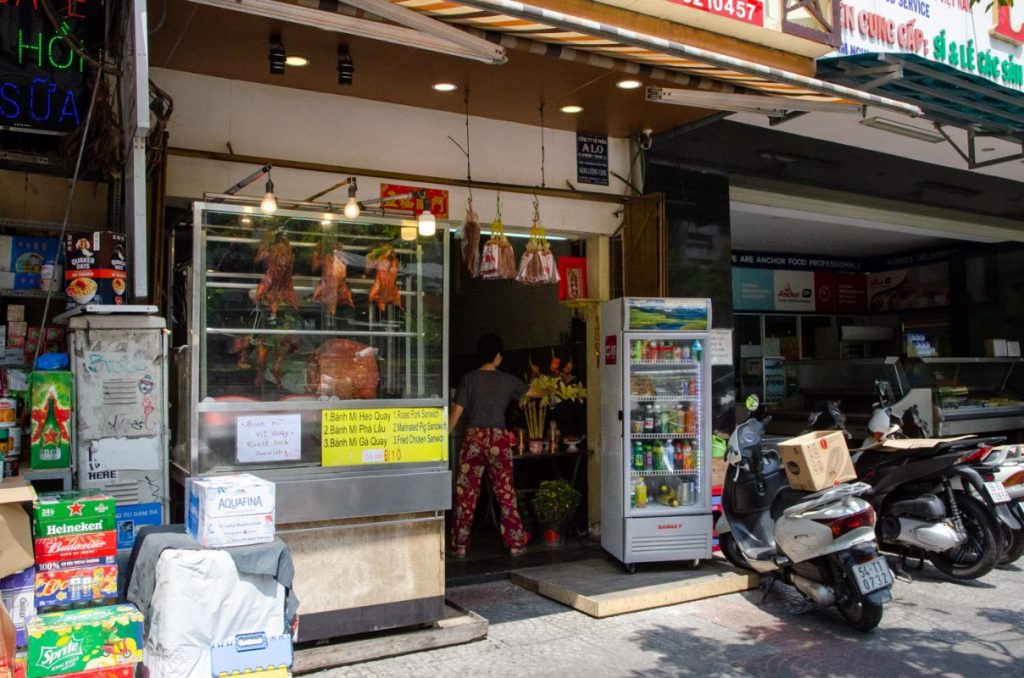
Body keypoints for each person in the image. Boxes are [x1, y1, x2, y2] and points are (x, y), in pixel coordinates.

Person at [449, 333, 546, 558]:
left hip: (474, 438)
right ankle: (514, 543)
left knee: (466, 492)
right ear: (498, 357)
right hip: (499, 440)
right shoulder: (508, 380)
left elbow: (456, 413)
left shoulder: (469, 379)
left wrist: (441, 436)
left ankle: (461, 545)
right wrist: (552, 389)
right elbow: (533, 392)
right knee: (505, 492)